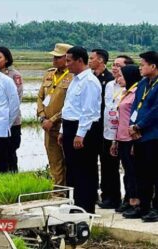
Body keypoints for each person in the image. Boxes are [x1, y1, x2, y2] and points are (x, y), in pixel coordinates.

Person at [58, 46, 101, 213]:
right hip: (70, 127)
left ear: (80, 61)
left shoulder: (89, 82)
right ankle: (75, 204)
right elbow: (68, 107)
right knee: (73, 169)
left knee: (85, 170)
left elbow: (88, 111)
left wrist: (80, 134)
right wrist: (63, 130)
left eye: (69, 61)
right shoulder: (74, 80)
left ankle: (86, 208)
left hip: (84, 129)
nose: (66, 64)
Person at [98, 55, 135, 209]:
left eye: (118, 66)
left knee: (128, 168)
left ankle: (129, 198)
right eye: (113, 65)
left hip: (124, 135)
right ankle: (110, 197)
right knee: (108, 167)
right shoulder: (109, 85)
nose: (114, 68)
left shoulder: (131, 87)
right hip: (109, 132)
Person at [37, 43, 73, 186]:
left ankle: (69, 190)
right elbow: (40, 97)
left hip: (63, 125)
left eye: (58, 57)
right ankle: (57, 190)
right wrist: (42, 116)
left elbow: (71, 104)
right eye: (54, 57)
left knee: (68, 160)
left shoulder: (73, 77)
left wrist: (53, 119)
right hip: (47, 126)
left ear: (67, 58)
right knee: (54, 160)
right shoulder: (49, 74)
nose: (54, 60)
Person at [128, 51, 158, 222]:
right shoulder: (142, 83)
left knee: (155, 173)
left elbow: (156, 111)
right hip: (138, 135)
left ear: (153, 66)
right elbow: (135, 106)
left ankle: (156, 208)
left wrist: (140, 125)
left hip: (153, 135)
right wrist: (132, 127)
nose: (140, 67)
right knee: (141, 173)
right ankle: (144, 206)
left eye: (143, 64)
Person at [109, 65, 141, 217]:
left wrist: (135, 141)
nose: (118, 78)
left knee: (133, 172)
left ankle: (136, 203)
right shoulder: (125, 92)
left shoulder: (136, 93)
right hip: (121, 137)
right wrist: (115, 140)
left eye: (121, 76)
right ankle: (128, 199)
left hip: (130, 139)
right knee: (127, 172)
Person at [88, 49, 119, 209]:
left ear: (100, 60)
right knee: (92, 163)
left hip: (106, 129)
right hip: (92, 128)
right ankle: (93, 193)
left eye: (92, 58)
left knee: (108, 164)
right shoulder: (89, 78)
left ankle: (111, 196)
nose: (89, 60)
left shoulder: (109, 80)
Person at [0, 46, 23, 172]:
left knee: (10, 153)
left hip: (11, 121)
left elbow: (16, 100)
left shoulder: (14, 75)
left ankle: (12, 181)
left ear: (7, 59)